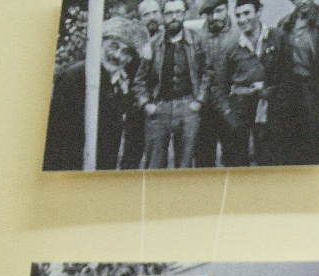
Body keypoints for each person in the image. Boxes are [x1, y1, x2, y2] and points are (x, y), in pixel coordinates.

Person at [43, 17, 146, 171]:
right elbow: (58, 135)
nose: (118, 56)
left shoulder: (120, 81)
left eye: (125, 52)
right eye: (113, 46)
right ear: (100, 44)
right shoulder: (77, 76)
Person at [134, 0, 210, 168]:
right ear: (163, 16)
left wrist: (199, 101)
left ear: (185, 14)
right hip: (159, 108)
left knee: (184, 164)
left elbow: (207, 72)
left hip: (188, 107)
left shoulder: (197, 40)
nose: (174, 17)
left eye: (178, 12)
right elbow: (139, 79)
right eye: (169, 13)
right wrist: (145, 104)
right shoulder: (153, 44)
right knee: (154, 165)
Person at [269, 0, 319, 165]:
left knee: (314, 147)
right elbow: (279, 65)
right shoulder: (285, 23)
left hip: (314, 93)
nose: (302, 1)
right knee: (291, 147)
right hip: (289, 94)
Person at [210, 0, 282, 166]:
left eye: (247, 13)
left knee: (269, 160)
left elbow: (286, 75)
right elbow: (219, 86)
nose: (242, 20)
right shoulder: (232, 48)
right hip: (240, 111)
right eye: (238, 15)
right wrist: (228, 114)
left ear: (258, 12)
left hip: (271, 109)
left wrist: (270, 89)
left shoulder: (277, 38)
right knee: (237, 162)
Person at [120, 0, 167, 168]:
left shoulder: (168, 37)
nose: (152, 17)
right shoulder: (131, 41)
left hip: (160, 103)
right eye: (146, 14)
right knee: (132, 152)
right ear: (140, 18)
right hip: (136, 105)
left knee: (158, 155)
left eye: (155, 12)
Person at [193, 0, 236, 167]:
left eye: (219, 11)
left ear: (226, 9)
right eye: (209, 13)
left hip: (230, 104)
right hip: (205, 105)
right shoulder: (197, 36)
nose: (214, 17)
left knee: (234, 156)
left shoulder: (237, 34)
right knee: (203, 158)